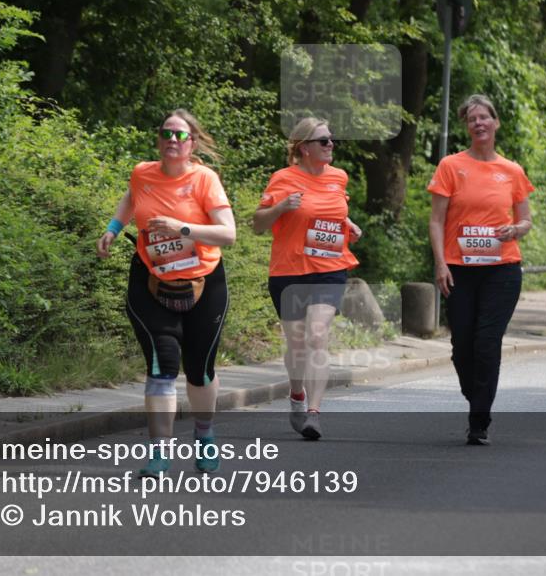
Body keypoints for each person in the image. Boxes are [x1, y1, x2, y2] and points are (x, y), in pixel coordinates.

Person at [96, 109, 235, 475]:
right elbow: (131, 197)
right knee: (162, 366)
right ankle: (159, 453)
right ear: (159, 140)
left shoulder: (205, 179)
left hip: (205, 283)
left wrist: (182, 229)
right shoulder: (143, 173)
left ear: (192, 144)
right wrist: (113, 227)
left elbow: (228, 234)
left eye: (180, 136)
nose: (173, 141)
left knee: (199, 370)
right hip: (151, 281)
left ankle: (204, 436)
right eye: (166, 134)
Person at [428, 94, 534, 446]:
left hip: (502, 270)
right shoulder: (450, 166)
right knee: (462, 346)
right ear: (467, 126)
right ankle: (476, 395)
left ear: (496, 122)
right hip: (460, 270)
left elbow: (526, 220)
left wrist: (516, 230)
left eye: (484, 117)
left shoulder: (512, 171)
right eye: (472, 118)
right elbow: (436, 220)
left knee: (487, 342)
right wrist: (440, 263)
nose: (479, 123)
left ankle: (479, 420)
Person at [253, 117, 362, 440]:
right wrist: (281, 207)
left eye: (331, 140)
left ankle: (314, 412)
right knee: (297, 343)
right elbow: (258, 224)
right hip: (289, 271)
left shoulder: (338, 178)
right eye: (323, 141)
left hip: (330, 269)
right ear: (304, 148)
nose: (331, 145)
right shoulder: (283, 178)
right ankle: (297, 394)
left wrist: (348, 226)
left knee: (317, 335)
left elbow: (332, 211)